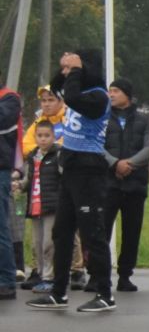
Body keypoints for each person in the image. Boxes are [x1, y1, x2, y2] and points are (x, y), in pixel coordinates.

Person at [26, 49, 116, 313]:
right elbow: (56, 87)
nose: (68, 75)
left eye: (74, 69)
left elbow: (73, 97)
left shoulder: (98, 96)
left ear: (86, 68)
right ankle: (58, 291)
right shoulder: (75, 87)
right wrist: (65, 67)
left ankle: (105, 293)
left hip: (90, 169)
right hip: (72, 168)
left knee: (92, 233)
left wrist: (76, 70)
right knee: (61, 232)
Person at [102, 79, 149, 294]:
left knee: (132, 231)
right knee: (101, 231)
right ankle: (98, 275)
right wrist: (114, 163)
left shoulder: (144, 120)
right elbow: (96, 144)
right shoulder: (102, 119)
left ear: (127, 94)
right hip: (108, 183)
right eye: (110, 91)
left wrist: (130, 163)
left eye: (115, 91)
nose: (111, 95)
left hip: (135, 184)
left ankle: (125, 276)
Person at [21, 97, 63, 290]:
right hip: (34, 205)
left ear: (53, 137)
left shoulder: (57, 155)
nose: (43, 139)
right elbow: (28, 179)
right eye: (40, 135)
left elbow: (63, 177)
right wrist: (19, 185)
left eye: (47, 135)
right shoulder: (32, 157)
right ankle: (39, 273)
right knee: (36, 243)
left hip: (51, 205)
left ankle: (49, 277)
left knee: (48, 242)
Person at [0, 78, 19, 300]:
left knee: (1, 227)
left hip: (1, 169)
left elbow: (3, 119)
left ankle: (6, 280)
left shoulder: (10, 98)